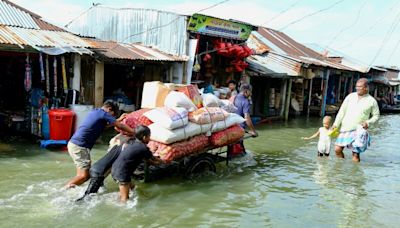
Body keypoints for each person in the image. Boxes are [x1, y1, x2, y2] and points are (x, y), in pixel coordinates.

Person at [65, 101, 134, 188]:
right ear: (109, 109)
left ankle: (71, 188)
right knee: (83, 176)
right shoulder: (103, 113)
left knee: (82, 175)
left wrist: (117, 120)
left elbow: (104, 127)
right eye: (112, 115)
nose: (111, 118)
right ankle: (64, 190)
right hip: (79, 146)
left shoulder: (95, 112)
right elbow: (120, 126)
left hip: (75, 144)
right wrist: (135, 132)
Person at [332, 78, 380, 162]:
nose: (357, 88)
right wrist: (336, 124)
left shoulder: (372, 101)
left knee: (355, 155)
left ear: (366, 88)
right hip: (345, 128)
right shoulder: (350, 96)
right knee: (337, 149)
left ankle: (354, 172)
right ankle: (341, 168)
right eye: (356, 86)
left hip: (359, 130)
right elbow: (341, 111)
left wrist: (368, 122)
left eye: (360, 87)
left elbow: (376, 116)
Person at [111, 125, 162, 203]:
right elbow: (151, 160)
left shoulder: (132, 142)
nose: (150, 138)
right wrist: (162, 161)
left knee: (133, 187)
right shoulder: (143, 148)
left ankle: (141, 196)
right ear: (144, 137)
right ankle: (124, 210)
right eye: (149, 136)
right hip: (122, 173)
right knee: (125, 199)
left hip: (115, 169)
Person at [228, 83, 258, 157]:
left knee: (231, 150)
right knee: (241, 153)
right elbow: (247, 118)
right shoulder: (245, 101)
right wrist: (253, 131)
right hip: (239, 130)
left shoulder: (233, 97)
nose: (250, 94)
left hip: (230, 128)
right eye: (250, 92)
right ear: (246, 91)